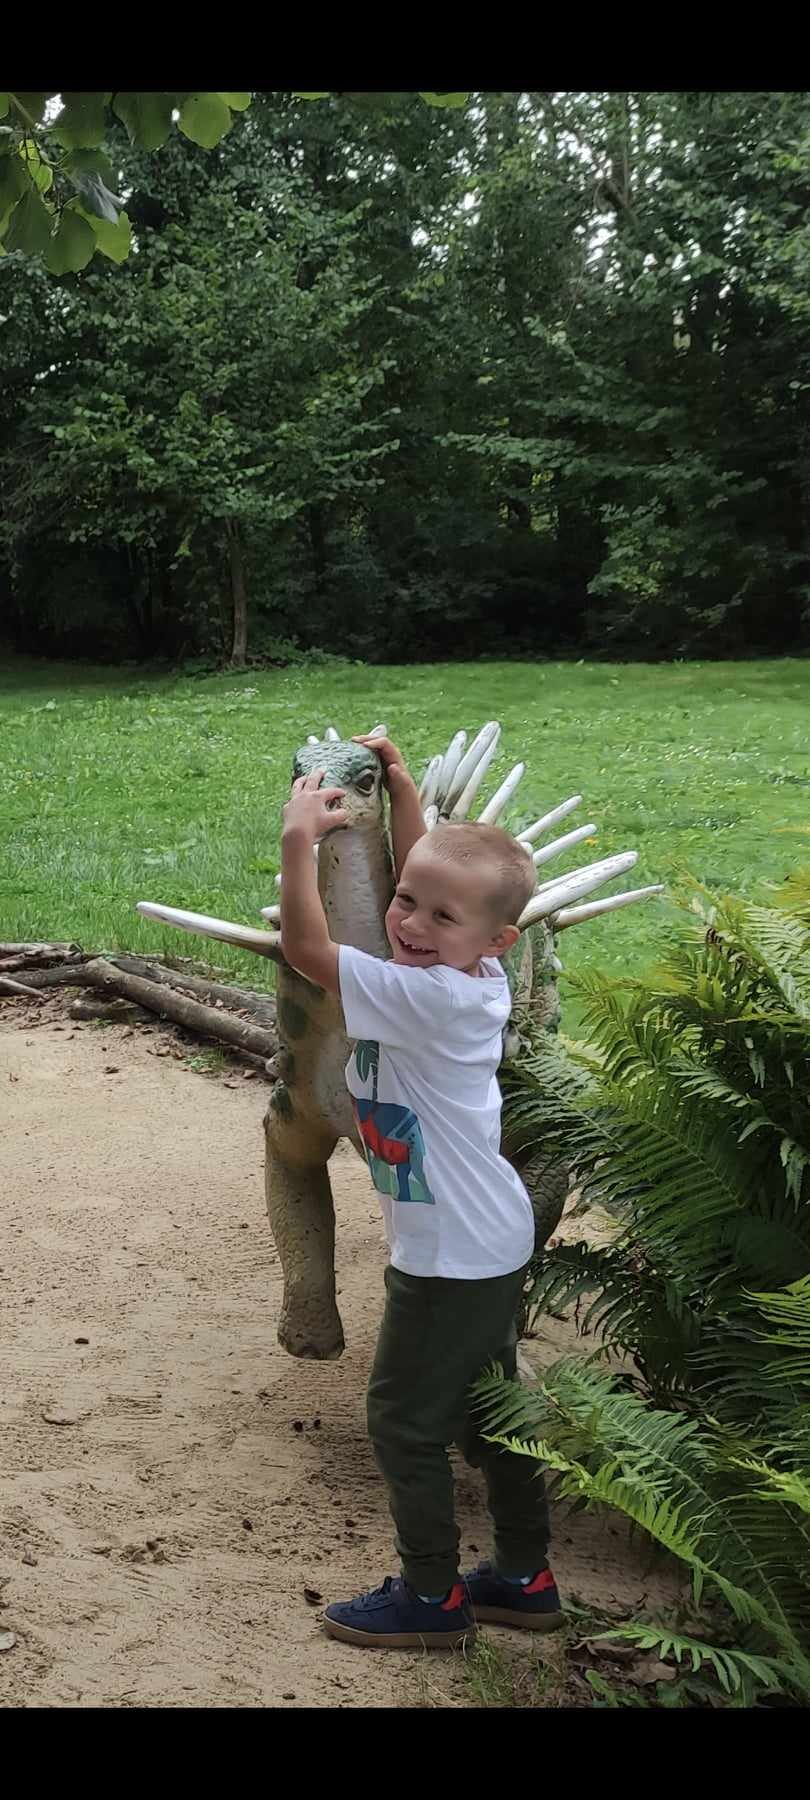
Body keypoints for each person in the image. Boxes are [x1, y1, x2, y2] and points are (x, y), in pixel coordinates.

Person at [279, 733, 562, 1650]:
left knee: (402, 1421)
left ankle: (432, 1597)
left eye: (441, 917)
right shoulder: (467, 972)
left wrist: (297, 841)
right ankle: (524, 1577)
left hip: (448, 1254)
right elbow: (424, 873)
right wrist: (402, 789)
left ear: (499, 940)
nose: (410, 924)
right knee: (488, 1413)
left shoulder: (424, 999)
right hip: (484, 1236)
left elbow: (307, 948)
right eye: (406, 901)